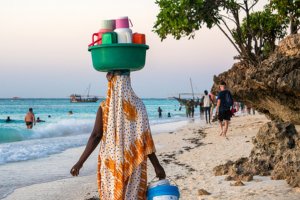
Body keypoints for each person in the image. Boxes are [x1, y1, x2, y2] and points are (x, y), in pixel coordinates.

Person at [70, 71, 166, 199]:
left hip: (111, 163)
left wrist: (80, 162)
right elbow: (145, 139)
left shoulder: (104, 107)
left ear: (112, 83)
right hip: (134, 162)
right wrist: (157, 166)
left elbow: (96, 135)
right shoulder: (139, 105)